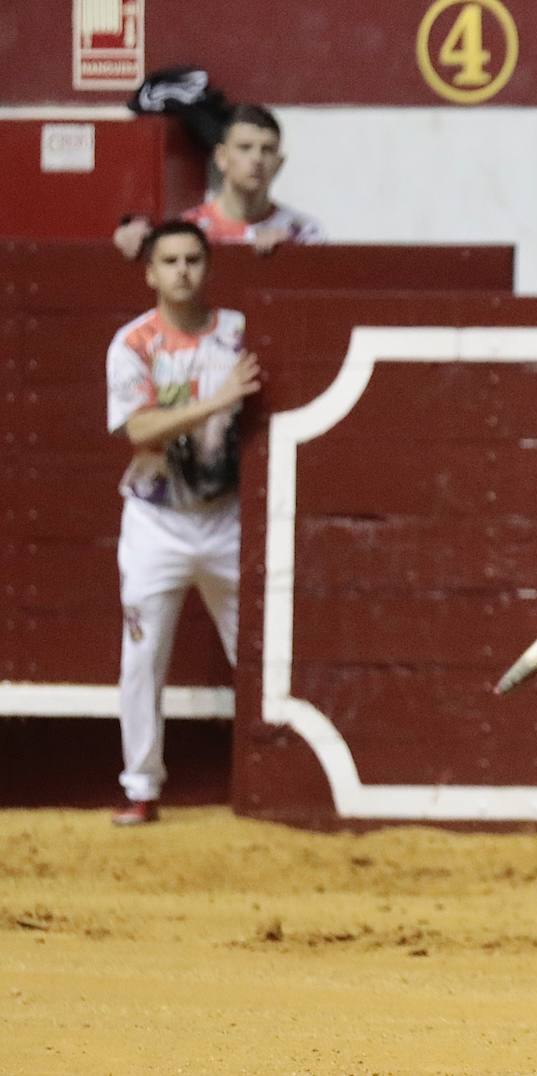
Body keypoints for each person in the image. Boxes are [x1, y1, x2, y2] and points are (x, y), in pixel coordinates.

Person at [105, 220, 261, 825]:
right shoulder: (134, 343)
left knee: (255, 650)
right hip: (155, 521)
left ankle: (268, 778)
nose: (182, 272)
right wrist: (218, 401)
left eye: (193, 259)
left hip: (228, 518)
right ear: (149, 272)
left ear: (208, 267)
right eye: (169, 261)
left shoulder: (238, 333)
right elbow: (138, 430)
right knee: (142, 657)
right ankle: (141, 788)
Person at [113, 104, 323, 259]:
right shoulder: (188, 228)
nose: (257, 159)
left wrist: (292, 255)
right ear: (221, 157)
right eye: (244, 147)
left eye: (267, 150)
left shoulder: (304, 232)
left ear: (279, 163)